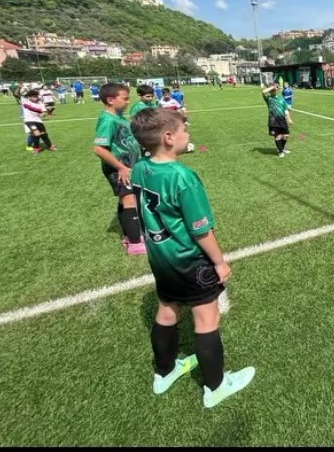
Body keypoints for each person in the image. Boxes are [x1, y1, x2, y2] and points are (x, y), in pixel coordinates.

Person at [129, 108, 255, 409]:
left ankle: (164, 371)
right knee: (207, 320)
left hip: (160, 257)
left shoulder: (139, 168)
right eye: (184, 130)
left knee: (166, 311)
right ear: (168, 137)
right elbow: (200, 230)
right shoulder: (183, 178)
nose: (188, 134)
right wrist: (219, 262)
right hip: (189, 260)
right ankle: (216, 387)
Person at [92, 83, 146, 256]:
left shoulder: (119, 117)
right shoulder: (108, 120)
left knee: (126, 199)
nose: (128, 101)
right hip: (120, 168)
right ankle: (136, 243)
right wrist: (121, 167)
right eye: (125, 98)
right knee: (130, 200)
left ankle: (130, 236)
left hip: (128, 166)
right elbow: (99, 149)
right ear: (110, 99)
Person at [261, 83, 293, 157]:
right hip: (273, 121)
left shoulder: (281, 98)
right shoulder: (268, 98)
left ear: (277, 90)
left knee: (286, 136)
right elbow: (263, 92)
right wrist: (273, 87)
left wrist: (289, 118)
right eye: (272, 90)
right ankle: (280, 152)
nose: (273, 91)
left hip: (282, 120)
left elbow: (286, 110)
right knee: (278, 136)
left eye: (274, 90)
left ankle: (281, 148)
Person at [22, 88, 57, 153]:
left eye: (36, 97)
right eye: (33, 97)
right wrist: (40, 111)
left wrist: (43, 114)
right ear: (29, 97)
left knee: (44, 134)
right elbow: (31, 108)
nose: (35, 98)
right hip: (29, 121)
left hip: (38, 121)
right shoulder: (26, 102)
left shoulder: (40, 103)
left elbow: (43, 113)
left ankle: (50, 146)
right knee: (37, 133)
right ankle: (36, 148)